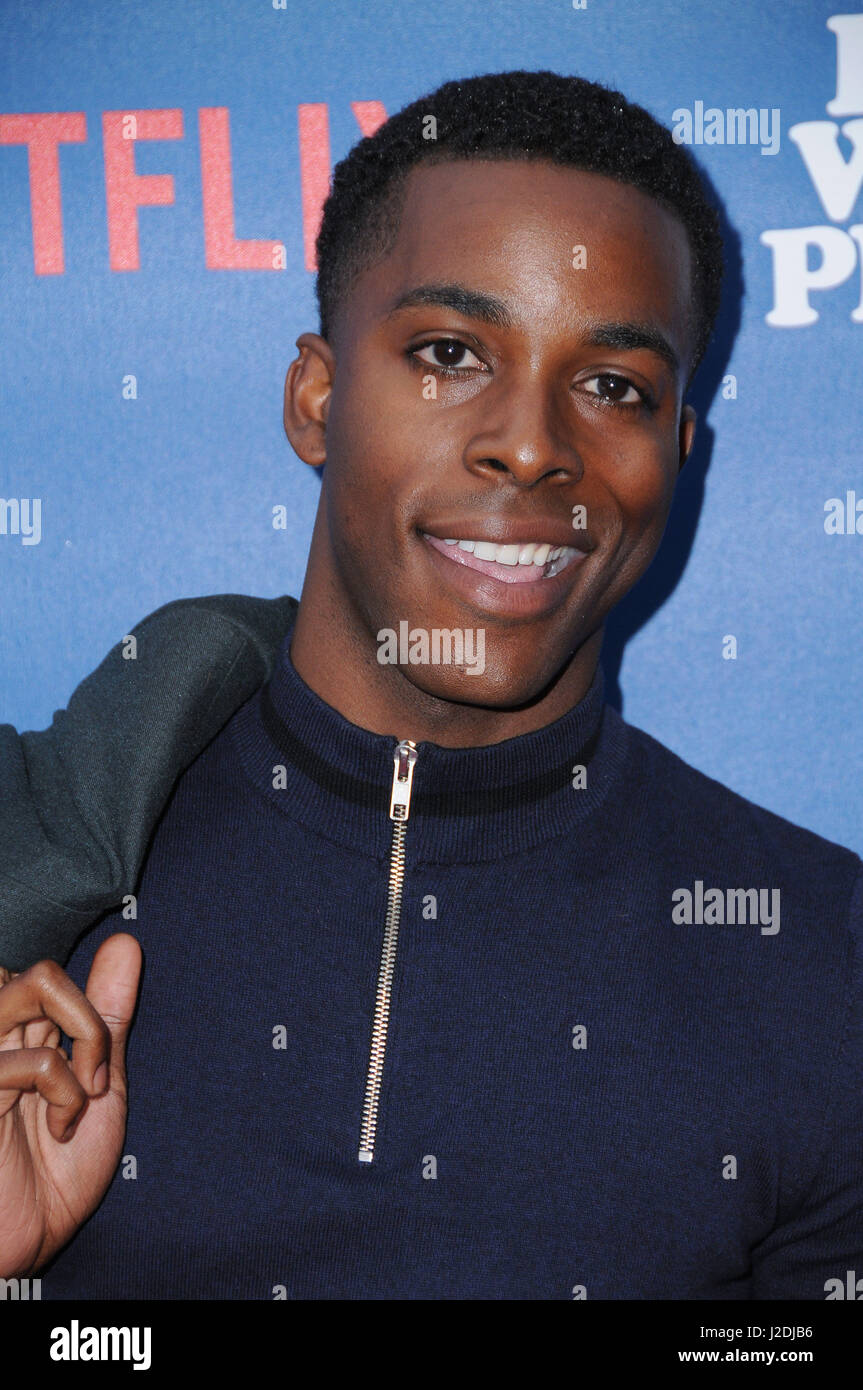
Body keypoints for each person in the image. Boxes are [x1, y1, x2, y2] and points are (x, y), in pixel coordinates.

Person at [1, 69, 860, 1300]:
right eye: (450, 353)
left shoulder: (822, 960)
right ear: (316, 398)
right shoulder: (33, 874)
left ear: (676, 453)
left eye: (612, 384)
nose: (532, 444)